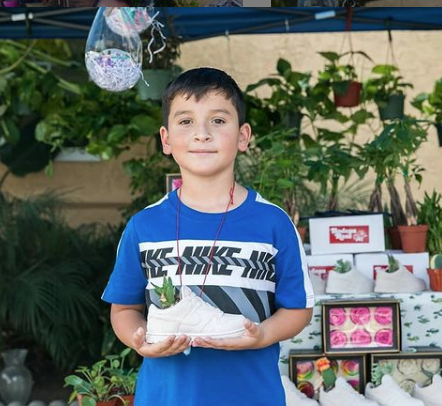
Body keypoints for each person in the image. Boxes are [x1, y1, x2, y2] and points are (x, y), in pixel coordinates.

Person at [101, 67, 314, 406]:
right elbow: (124, 308)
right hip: (165, 398)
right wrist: (139, 340)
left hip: (251, 396)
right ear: (166, 139)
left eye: (218, 120)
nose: (202, 134)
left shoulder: (274, 223)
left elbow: (298, 309)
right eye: (186, 121)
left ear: (243, 136)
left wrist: (262, 336)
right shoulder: (144, 226)